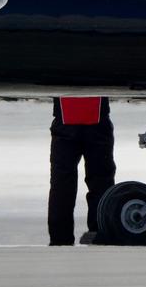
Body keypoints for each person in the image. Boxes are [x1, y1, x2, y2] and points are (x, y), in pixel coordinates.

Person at [49, 96, 116, 245]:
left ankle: (60, 238)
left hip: (65, 118)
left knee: (61, 184)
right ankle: (100, 231)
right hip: (96, 118)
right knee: (101, 182)